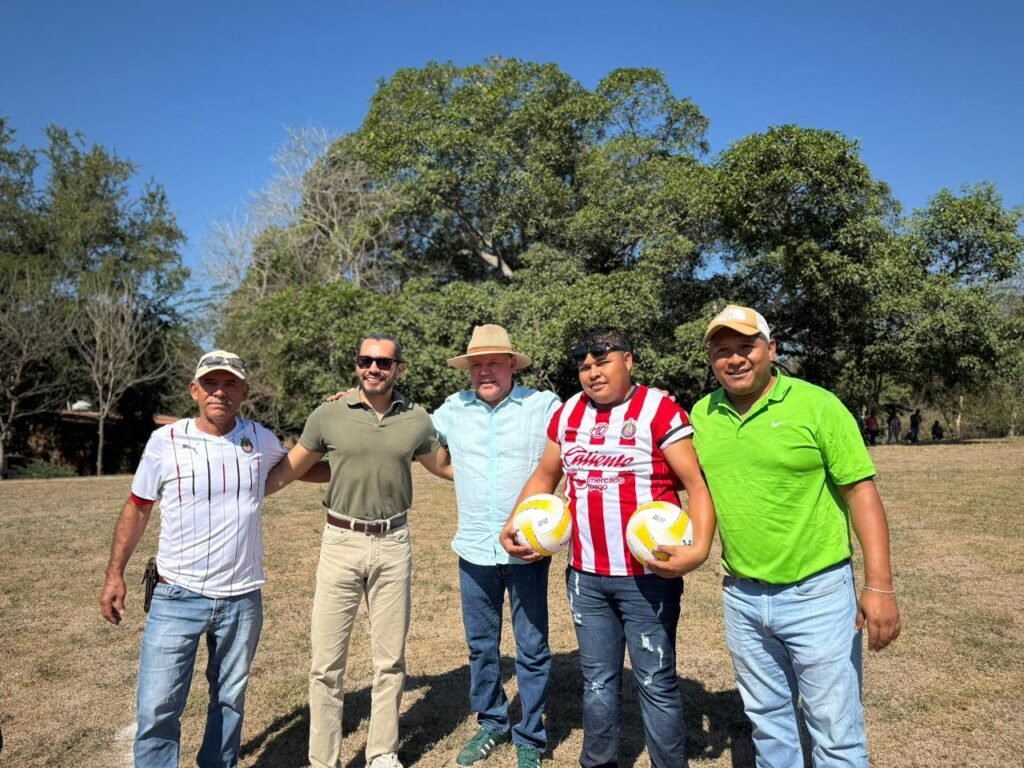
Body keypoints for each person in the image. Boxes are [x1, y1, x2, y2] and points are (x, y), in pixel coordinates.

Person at [690, 305, 901, 768]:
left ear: (771, 349)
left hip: (818, 594)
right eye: (722, 351)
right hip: (742, 597)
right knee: (768, 725)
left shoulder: (818, 406)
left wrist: (880, 586)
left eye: (746, 346)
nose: (734, 359)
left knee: (836, 733)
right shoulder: (702, 414)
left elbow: (861, 495)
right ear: (710, 360)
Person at [500, 327, 715, 768]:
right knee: (597, 682)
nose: (592, 373)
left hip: (649, 577)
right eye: (584, 366)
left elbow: (696, 484)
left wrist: (699, 549)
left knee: (655, 681)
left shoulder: (659, 410)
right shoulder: (568, 413)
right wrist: (514, 522)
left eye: (603, 362)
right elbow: (545, 476)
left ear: (628, 361)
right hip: (586, 577)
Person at [99, 350, 319, 768]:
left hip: (241, 598)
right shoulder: (165, 442)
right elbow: (138, 507)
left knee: (229, 701)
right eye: (211, 383)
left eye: (230, 383)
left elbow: (300, 466)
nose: (220, 391)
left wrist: (359, 455)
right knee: (158, 707)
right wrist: (115, 575)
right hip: (176, 596)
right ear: (194, 390)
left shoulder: (259, 439)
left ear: (244, 392)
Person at [265, 335, 449, 768]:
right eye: (366, 360)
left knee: (390, 661)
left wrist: (501, 475)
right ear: (356, 365)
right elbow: (290, 469)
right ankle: (323, 760)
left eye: (383, 362)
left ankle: (382, 753)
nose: (374, 368)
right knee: (326, 665)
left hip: (394, 543)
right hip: (340, 542)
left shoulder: (416, 418)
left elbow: (443, 466)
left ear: (399, 368)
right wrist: (240, 489)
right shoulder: (329, 413)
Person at [431, 325, 560, 768]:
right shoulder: (452, 409)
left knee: (532, 646)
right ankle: (491, 723)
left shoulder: (543, 405)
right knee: (481, 645)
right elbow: (411, 435)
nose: (484, 371)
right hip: (473, 548)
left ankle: (530, 736)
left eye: (493, 362)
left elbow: (586, 429)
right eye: (476, 364)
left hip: (526, 550)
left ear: (511, 365)